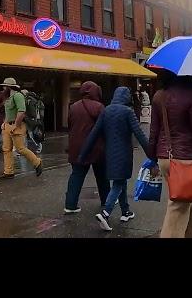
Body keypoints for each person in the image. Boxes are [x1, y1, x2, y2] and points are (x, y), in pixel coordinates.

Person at [79, 87, 151, 232]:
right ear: (126, 97)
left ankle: (125, 212)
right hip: (124, 153)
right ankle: (105, 214)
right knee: (118, 183)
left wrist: (82, 154)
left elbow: (93, 134)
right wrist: (152, 154)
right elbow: (140, 134)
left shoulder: (106, 111)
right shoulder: (128, 112)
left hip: (109, 154)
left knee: (120, 180)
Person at [148, 71, 192, 238]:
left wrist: (152, 157)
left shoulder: (159, 95)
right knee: (177, 205)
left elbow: (153, 131)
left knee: (183, 197)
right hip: (183, 157)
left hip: (164, 156)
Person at [64, 81, 110, 214]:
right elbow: (104, 128)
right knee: (102, 175)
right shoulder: (99, 107)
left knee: (76, 175)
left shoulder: (73, 107)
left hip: (76, 147)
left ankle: (70, 205)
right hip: (96, 147)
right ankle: (106, 200)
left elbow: (70, 126)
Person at [0, 78, 42, 179]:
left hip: (17, 125)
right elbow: (8, 112)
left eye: (5, 86)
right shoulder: (8, 97)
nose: (3, 88)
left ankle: (37, 162)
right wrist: (4, 123)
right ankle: (8, 172)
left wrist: (15, 125)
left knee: (20, 149)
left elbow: (21, 111)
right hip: (7, 126)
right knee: (6, 149)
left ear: (9, 87)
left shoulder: (18, 96)